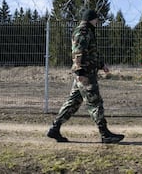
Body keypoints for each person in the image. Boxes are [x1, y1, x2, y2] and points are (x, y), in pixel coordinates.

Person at [47, 9, 125, 144]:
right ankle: (105, 134)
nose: (97, 22)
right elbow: (78, 52)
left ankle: (55, 128)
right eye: (96, 19)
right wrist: (81, 72)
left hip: (84, 72)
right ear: (91, 19)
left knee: (73, 102)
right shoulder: (83, 31)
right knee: (95, 102)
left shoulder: (87, 31)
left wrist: (101, 65)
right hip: (85, 74)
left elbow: (90, 52)